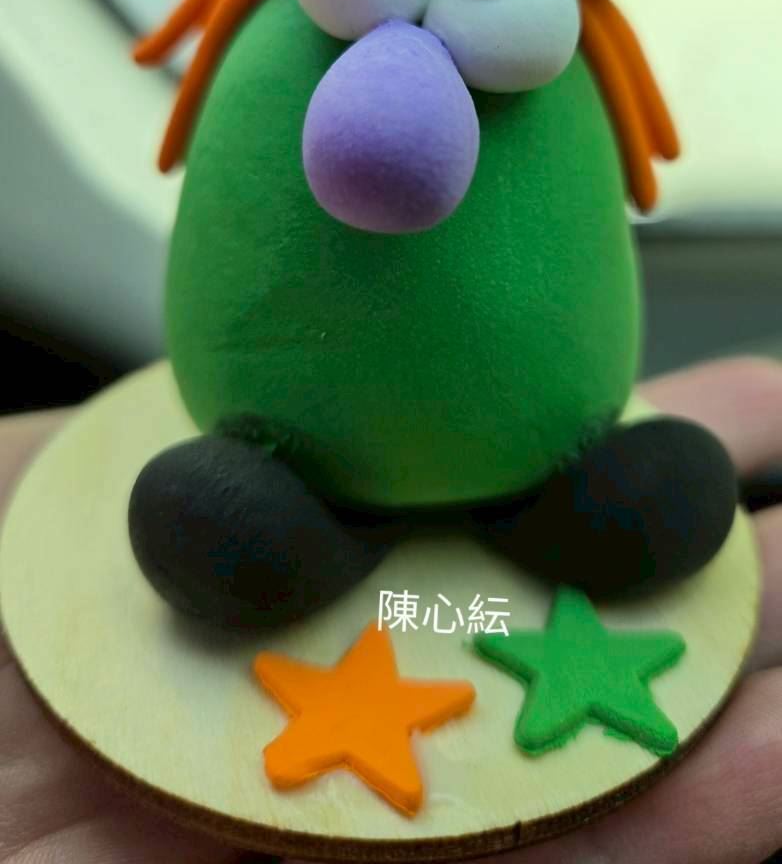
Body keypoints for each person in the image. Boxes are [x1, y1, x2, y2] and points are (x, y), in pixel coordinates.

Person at [1, 355, 781, 864]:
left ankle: (551, 507)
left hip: (541, 455)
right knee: (198, 511)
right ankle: (297, 516)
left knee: (682, 486)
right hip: (300, 466)